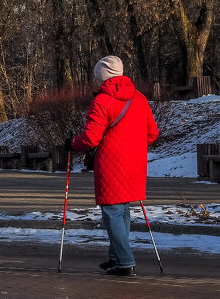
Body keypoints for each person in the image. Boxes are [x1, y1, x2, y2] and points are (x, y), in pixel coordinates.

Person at [65, 55, 158, 277]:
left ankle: (125, 262)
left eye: (96, 77)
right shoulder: (139, 98)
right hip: (135, 163)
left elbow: (90, 139)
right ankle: (117, 256)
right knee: (122, 210)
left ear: (103, 77)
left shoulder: (102, 101)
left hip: (111, 163)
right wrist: (132, 146)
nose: (95, 82)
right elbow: (152, 133)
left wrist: (71, 143)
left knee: (113, 212)